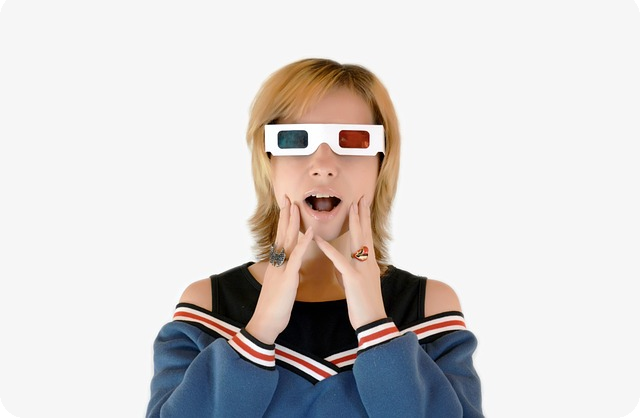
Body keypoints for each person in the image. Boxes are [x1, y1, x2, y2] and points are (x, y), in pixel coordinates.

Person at [146, 58, 483, 417]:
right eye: (295, 140)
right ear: (268, 162)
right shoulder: (207, 307)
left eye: (352, 141)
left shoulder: (429, 309)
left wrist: (375, 325)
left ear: (381, 165)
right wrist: (259, 331)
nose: (323, 164)